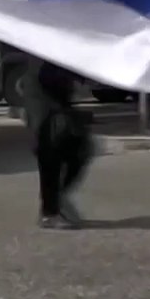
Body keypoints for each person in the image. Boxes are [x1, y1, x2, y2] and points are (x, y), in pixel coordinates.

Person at [21, 56, 92, 230]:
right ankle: (49, 213)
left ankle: (55, 202)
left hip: (55, 105)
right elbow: (47, 75)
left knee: (78, 149)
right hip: (44, 109)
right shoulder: (44, 50)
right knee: (50, 156)